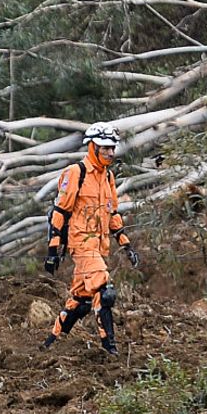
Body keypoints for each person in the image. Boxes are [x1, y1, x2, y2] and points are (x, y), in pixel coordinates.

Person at [42, 122, 139, 355]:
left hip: (100, 245)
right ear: (92, 146)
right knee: (104, 291)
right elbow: (60, 212)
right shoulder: (76, 173)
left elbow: (112, 214)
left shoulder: (108, 177)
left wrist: (126, 246)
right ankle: (110, 349)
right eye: (105, 147)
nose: (110, 152)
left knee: (81, 300)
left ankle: (51, 344)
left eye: (112, 148)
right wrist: (53, 250)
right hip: (81, 243)